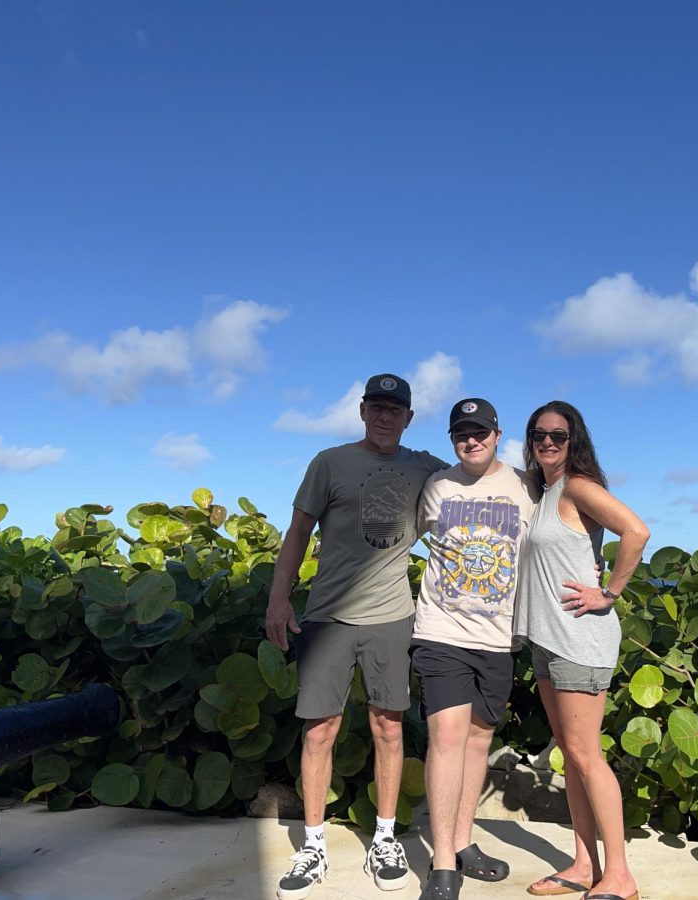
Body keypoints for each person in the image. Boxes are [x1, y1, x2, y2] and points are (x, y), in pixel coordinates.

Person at [265, 374, 447, 900]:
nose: (386, 416)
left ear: (409, 418)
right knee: (319, 731)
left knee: (390, 728)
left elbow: (475, 476)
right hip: (327, 616)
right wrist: (279, 600)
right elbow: (297, 533)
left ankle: (385, 838)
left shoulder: (426, 468)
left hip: (392, 617)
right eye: (378, 407)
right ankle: (314, 843)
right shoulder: (329, 463)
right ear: (362, 411)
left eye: (396, 409)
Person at [514, 400, 650, 900]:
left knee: (586, 755)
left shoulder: (577, 486)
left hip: (579, 638)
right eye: (539, 435)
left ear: (575, 441)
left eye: (559, 435)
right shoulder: (545, 491)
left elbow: (636, 531)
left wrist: (609, 591)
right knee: (570, 756)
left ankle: (620, 875)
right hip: (548, 639)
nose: (548, 442)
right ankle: (582, 865)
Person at [409, 397, 540, 900]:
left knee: (479, 741)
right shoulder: (437, 486)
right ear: (452, 440)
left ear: (498, 434)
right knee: (445, 736)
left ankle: (463, 842)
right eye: (462, 433)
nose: (472, 440)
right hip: (441, 631)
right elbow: (402, 538)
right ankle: (442, 864)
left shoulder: (527, 487)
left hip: (499, 638)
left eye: (480, 432)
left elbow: (558, 535)